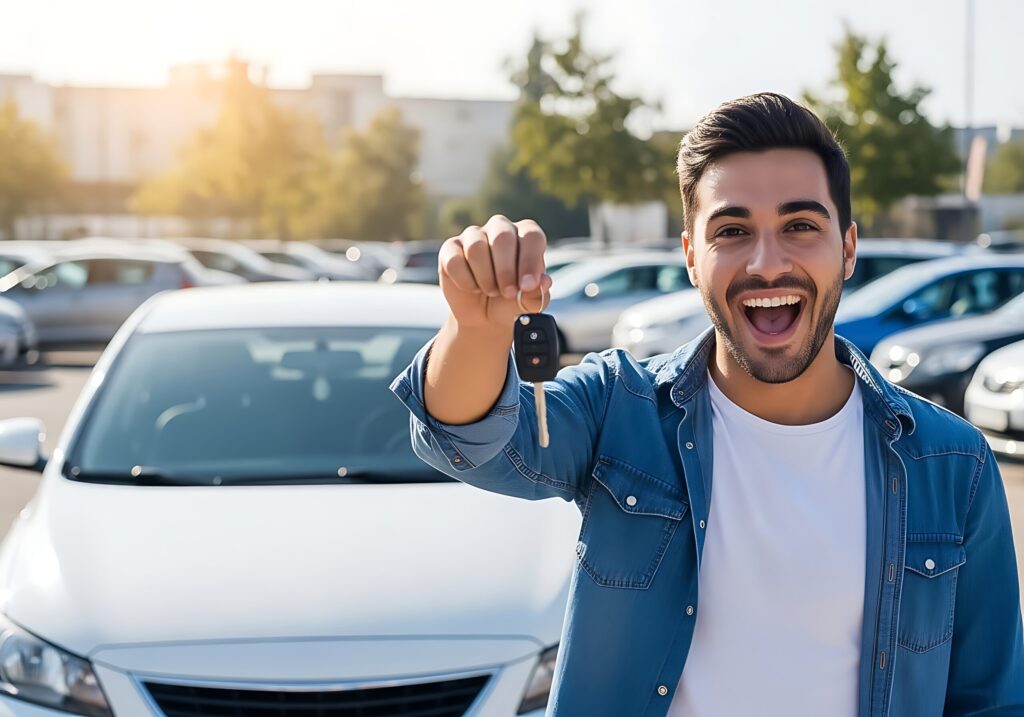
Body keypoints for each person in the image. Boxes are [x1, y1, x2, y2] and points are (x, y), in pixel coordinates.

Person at [389, 92, 1024, 716]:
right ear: (692, 257)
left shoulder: (952, 463)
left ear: (849, 249)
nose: (767, 263)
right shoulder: (622, 410)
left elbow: (990, 699)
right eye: (733, 230)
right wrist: (476, 328)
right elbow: (471, 439)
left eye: (800, 226)